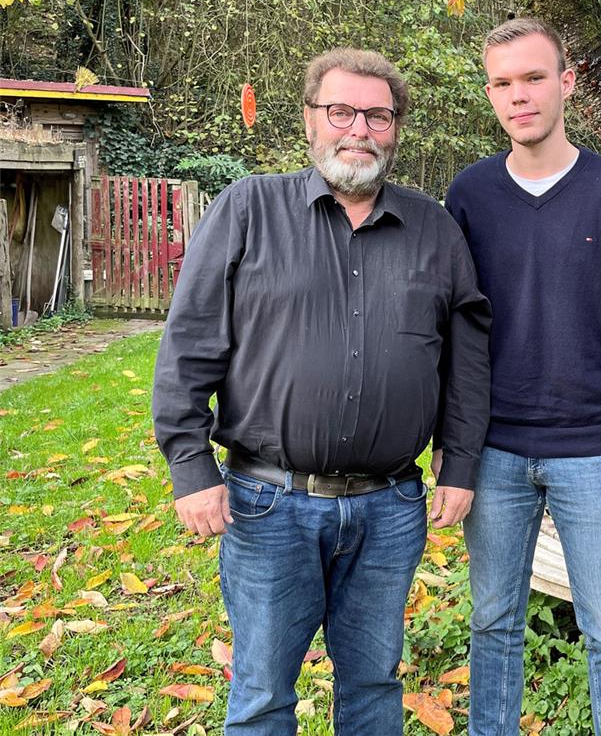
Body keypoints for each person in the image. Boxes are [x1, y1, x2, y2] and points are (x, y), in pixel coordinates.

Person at [152, 48, 491, 735]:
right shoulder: (248, 210)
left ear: (396, 128)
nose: (358, 129)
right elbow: (189, 344)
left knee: (372, 683)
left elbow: (468, 356)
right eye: (341, 111)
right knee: (262, 692)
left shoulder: (435, 229)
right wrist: (190, 466)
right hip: (267, 503)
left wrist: (461, 462)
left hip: (391, 507)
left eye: (377, 115)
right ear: (310, 121)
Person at [446, 18, 601, 736]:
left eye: (533, 77)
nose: (519, 96)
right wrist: (452, 448)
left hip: (597, 452)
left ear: (567, 82)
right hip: (495, 452)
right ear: (490, 94)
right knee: (493, 622)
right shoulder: (470, 196)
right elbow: (454, 331)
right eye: (502, 83)